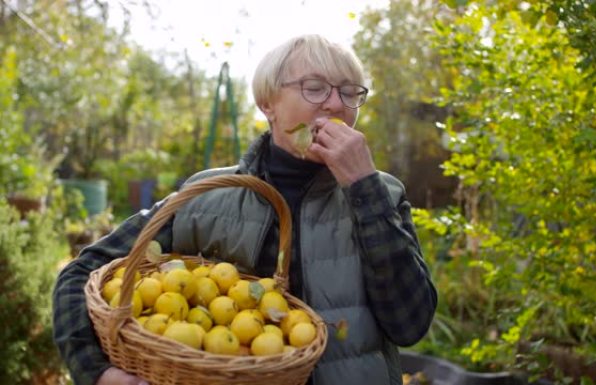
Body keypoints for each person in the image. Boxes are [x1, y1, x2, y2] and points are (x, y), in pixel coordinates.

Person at [52, 33, 437, 385]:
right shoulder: (206, 196)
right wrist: (97, 373)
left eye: (350, 92)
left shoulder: (382, 193)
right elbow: (80, 273)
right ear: (268, 104)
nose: (336, 105)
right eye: (315, 88)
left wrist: (364, 189)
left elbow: (410, 324)